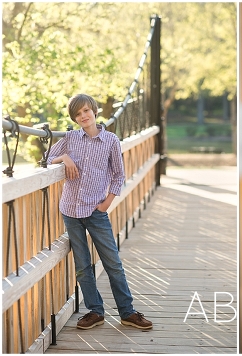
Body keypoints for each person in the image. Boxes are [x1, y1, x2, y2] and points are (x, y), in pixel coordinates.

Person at [47, 94, 153, 330]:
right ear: (74, 118)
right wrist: (64, 158)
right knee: (83, 265)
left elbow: (118, 175)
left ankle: (127, 312)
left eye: (86, 111)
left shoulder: (111, 140)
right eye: (77, 114)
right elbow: (45, 159)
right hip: (70, 210)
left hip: (96, 211)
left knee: (112, 262)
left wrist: (106, 204)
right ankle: (95, 312)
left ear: (94, 111)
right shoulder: (71, 138)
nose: (83, 116)